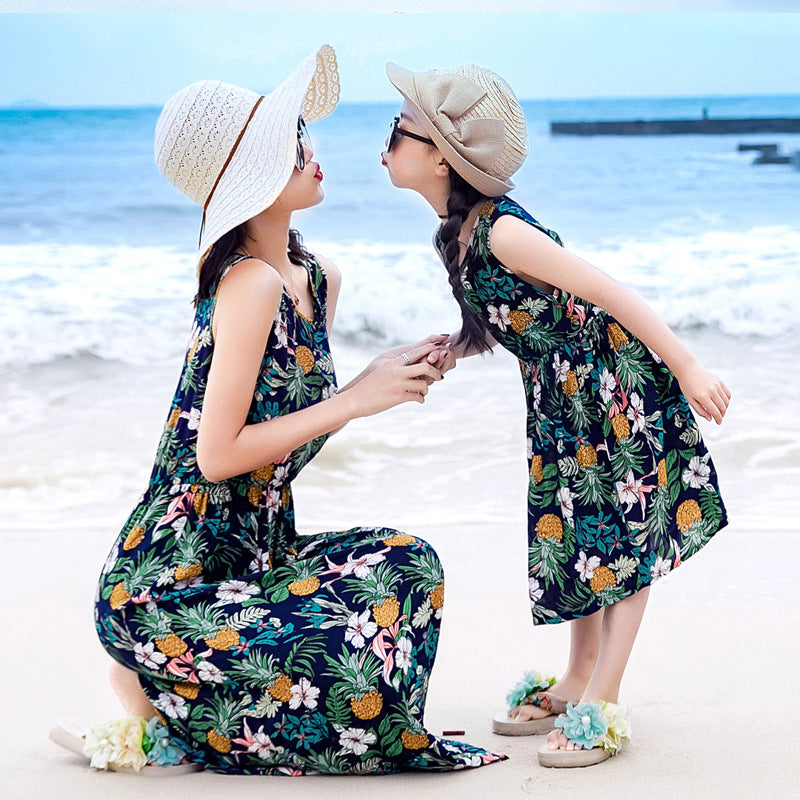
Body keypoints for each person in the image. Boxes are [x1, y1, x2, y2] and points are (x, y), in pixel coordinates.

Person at [49, 46, 505, 776]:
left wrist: (373, 382)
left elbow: (290, 436)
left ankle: (173, 704)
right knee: (343, 668)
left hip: (260, 560)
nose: (311, 151)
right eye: (291, 145)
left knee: (409, 569)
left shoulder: (318, 279)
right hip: (169, 585)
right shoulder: (249, 285)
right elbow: (218, 456)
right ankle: (159, 693)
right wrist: (354, 401)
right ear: (253, 178)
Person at [382, 61, 730, 768]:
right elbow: (515, 318)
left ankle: (603, 697)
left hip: (610, 389)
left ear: (443, 159)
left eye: (399, 129)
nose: (385, 140)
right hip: (558, 396)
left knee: (619, 541)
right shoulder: (456, 236)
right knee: (572, 539)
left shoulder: (504, 234)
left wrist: (689, 368)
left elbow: (609, 294)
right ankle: (575, 680)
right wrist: (454, 348)